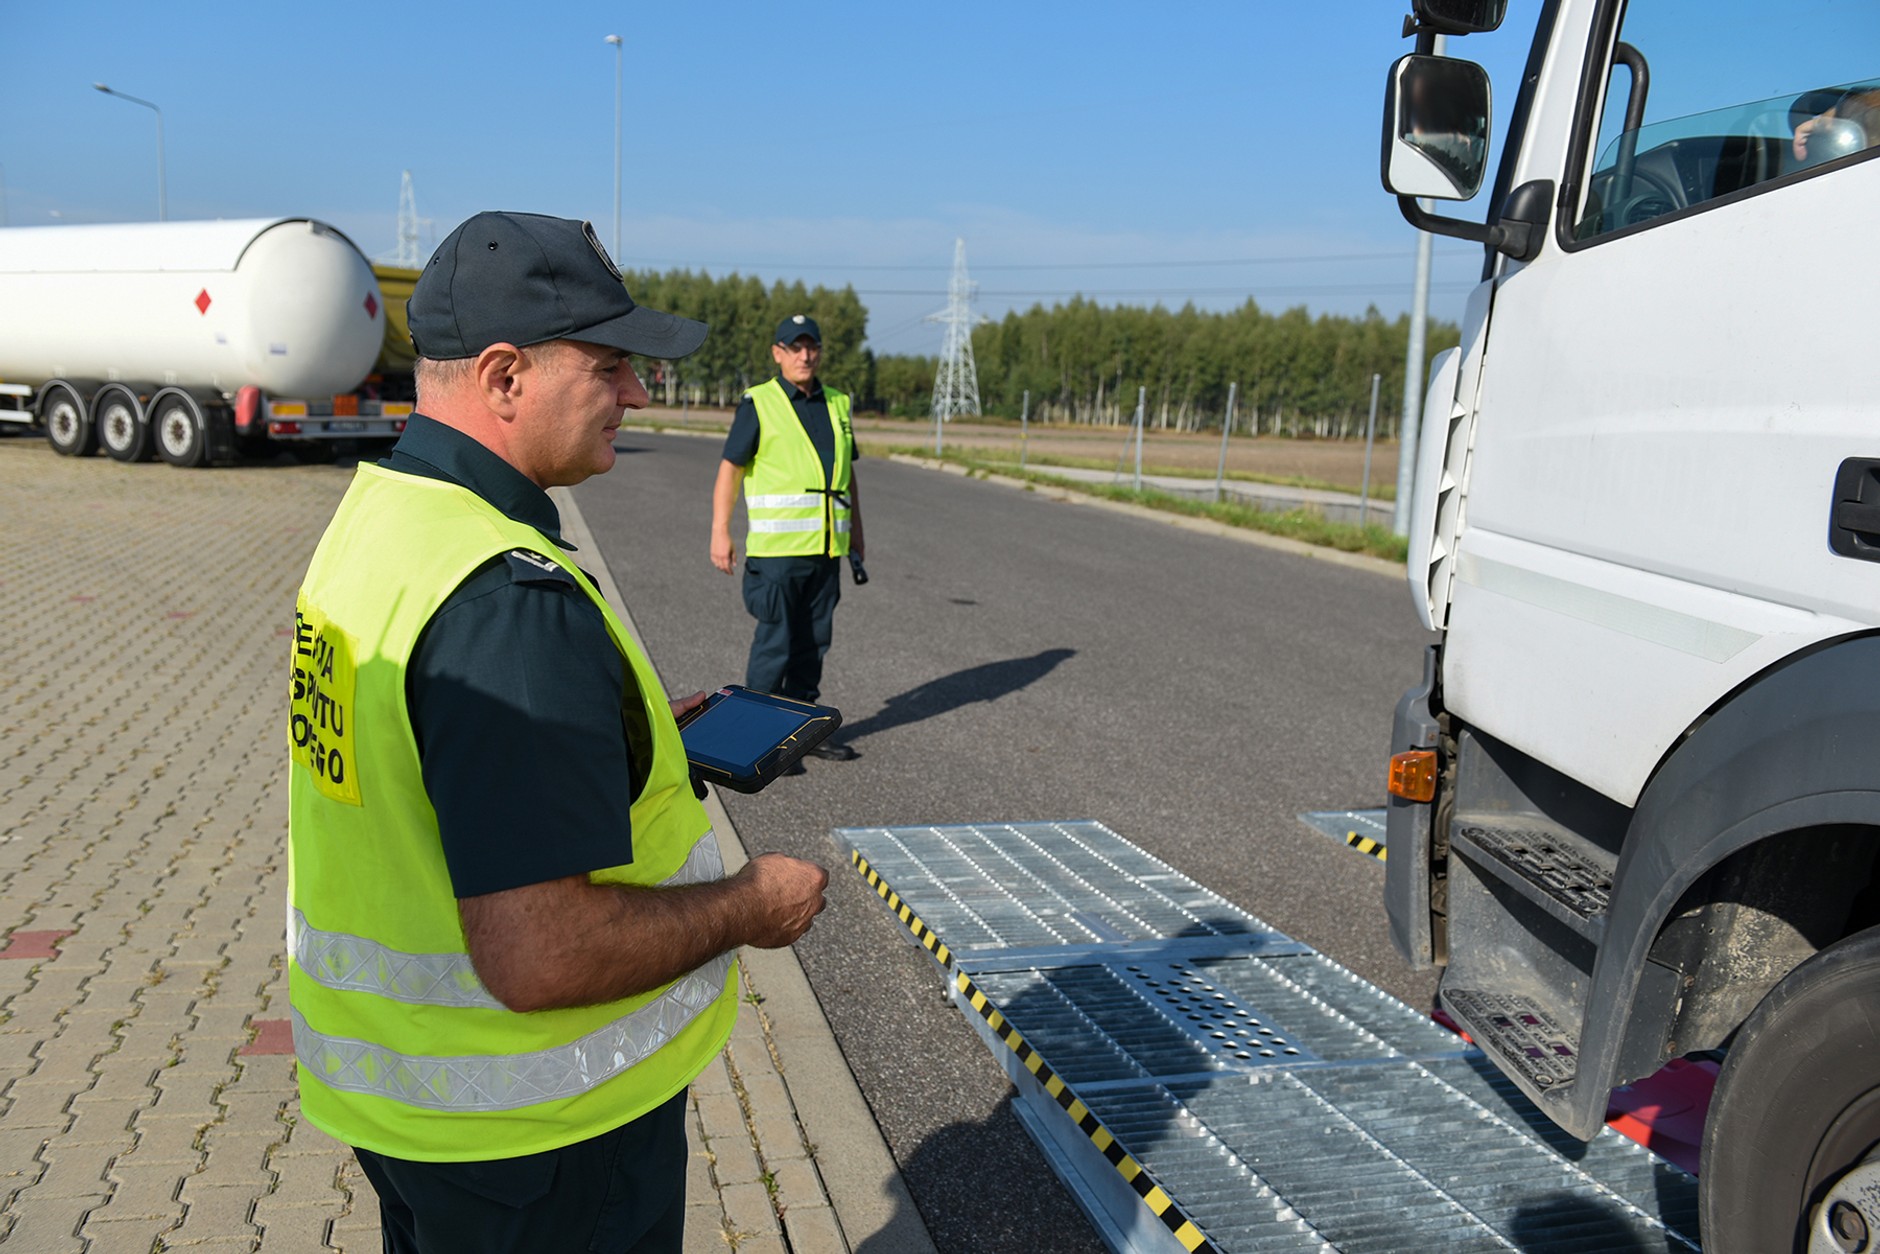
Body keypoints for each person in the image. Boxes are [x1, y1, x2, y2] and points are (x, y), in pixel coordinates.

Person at [286, 210, 830, 1254]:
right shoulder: (503, 598)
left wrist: (608, 736)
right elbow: (539, 954)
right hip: (538, 1145)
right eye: (610, 366)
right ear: (502, 378)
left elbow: (429, 754)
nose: (636, 392)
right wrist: (749, 906)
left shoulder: (385, 517)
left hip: (415, 1114)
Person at [709, 315, 863, 759]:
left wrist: (857, 535)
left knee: (813, 643)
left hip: (826, 550)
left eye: (810, 346)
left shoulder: (837, 403)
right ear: (777, 353)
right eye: (794, 347)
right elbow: (730, 470)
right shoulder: (760, 402)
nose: (804, 355)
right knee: (775, 644)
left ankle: (802, 733)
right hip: (777, 555)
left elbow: (846, 475)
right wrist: (721, 530)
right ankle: (757, 738)